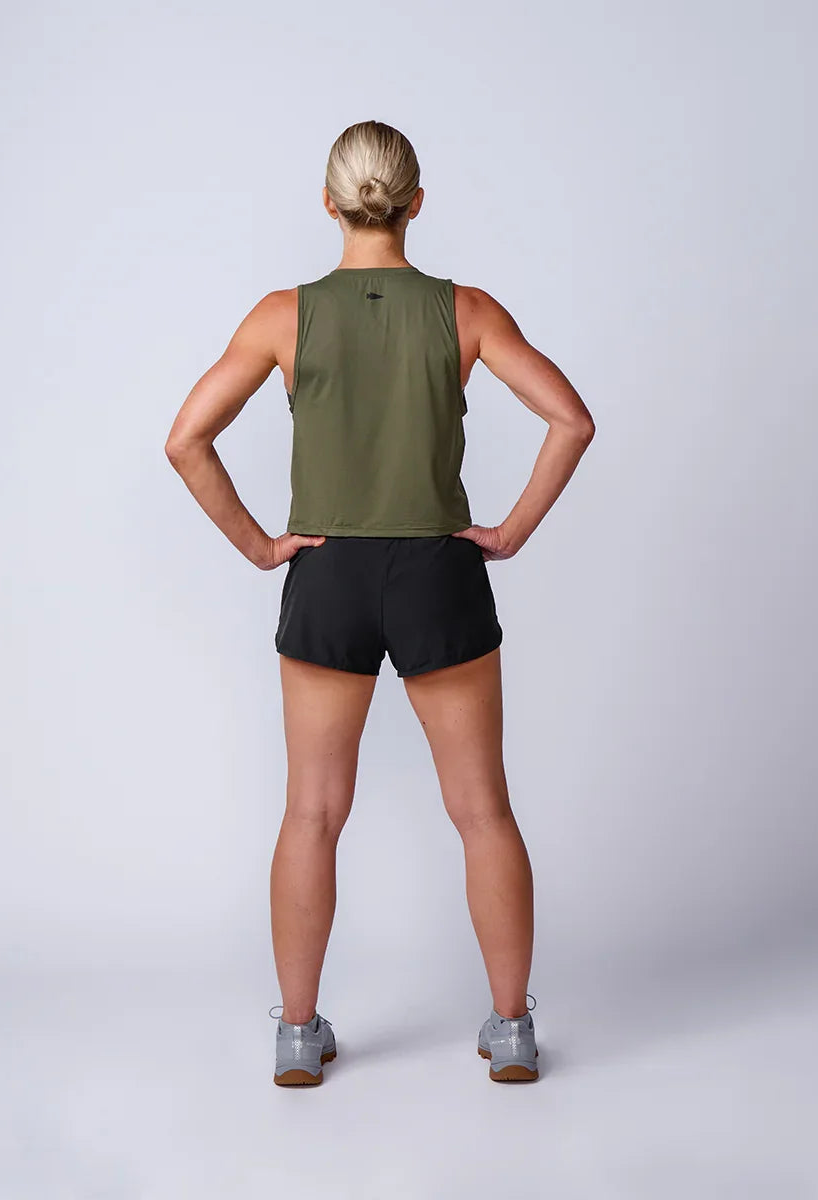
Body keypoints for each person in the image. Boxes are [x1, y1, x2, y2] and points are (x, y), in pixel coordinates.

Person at [164, 120, 595, 1086]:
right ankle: (512, 1029)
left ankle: (298, 1034)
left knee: (311, 813)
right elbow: (572, 420)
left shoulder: (284, 316)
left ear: (330, 203)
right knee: (483, 811)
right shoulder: (466, 311)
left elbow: (187, 437)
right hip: (439, 566)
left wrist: (263, 547)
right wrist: (511, 529)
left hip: (329, 574)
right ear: (416, 201)